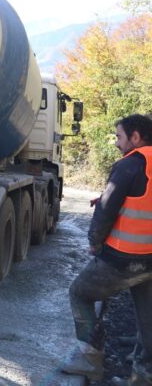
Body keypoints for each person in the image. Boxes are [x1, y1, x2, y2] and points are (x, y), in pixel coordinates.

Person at [60, 114, 152, 385]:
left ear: (136, 137)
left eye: (120, 137)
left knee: (80, 293)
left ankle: (90, 361)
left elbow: (106, 209)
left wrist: (95, 242)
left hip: (123, 258)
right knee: (147, 316)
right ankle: (143, 373)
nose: (116, 143)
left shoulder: (130, 164)